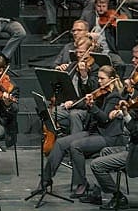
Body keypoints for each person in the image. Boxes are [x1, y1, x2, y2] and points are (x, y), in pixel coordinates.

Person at [34, 65, 124, 199]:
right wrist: (75, 103)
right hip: (94, 132)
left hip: (108, 136)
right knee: (60, 143)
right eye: (98, 78)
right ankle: (45, 180)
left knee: (76, 146)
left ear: (111, 79)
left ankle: (81, 183)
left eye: (102, 79)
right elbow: (87, 106)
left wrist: (92, 106)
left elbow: (105, 118)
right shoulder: (101, 93)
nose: (99, 81)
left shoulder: (114, 96)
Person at [87, 91, 138, 209]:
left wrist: (125, 113)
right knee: (105, 151)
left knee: (96, 165)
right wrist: (122, 112)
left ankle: (118, 197)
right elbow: (136, 116)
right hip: (135, 148)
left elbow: (137, 131)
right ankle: (99, 193)